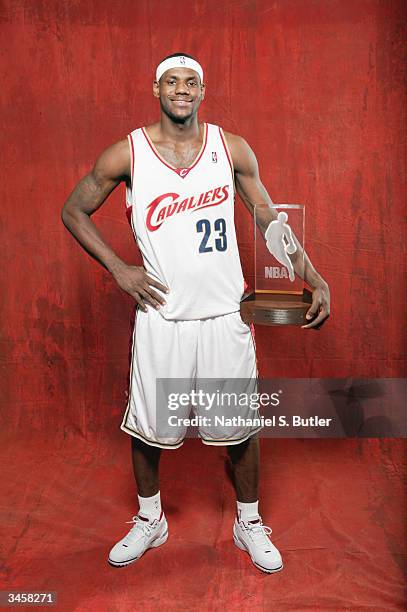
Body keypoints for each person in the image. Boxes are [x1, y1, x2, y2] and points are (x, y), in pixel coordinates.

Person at [61, 52, 330, 574]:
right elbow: (74, 209)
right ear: (155, 89)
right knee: (148, 428)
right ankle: (150, 520)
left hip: (225, 315)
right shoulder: (129, 153)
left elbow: (270, 220)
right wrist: (118, 268)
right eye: (172, 81)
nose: (181, 89)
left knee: (242, 427)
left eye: (191, 82)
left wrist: (311, 274)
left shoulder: (231, 149)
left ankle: (248, 523)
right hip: (162, 314)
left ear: (202, 91)